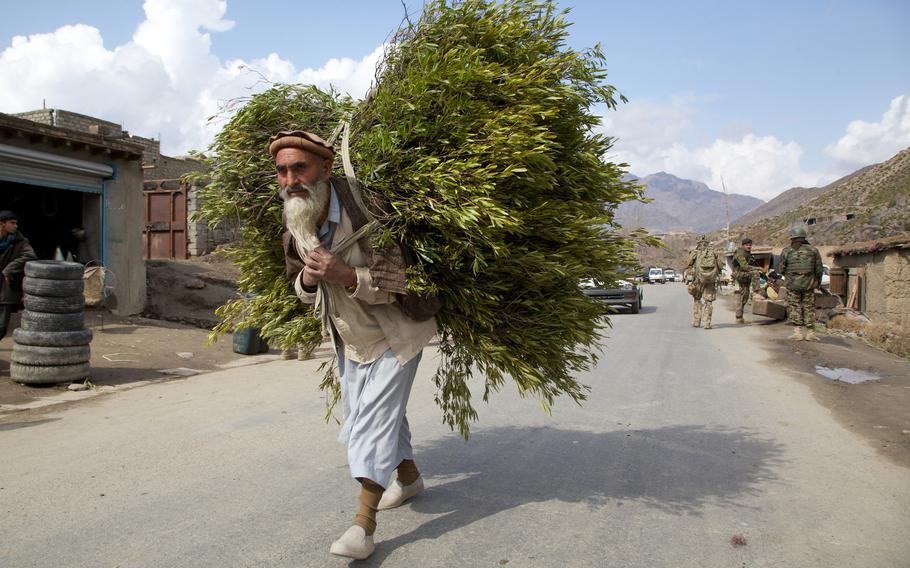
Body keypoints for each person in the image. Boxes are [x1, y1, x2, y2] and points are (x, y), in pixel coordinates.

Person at [271, 130, 438, 560]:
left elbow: (404, 283)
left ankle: (362, 528)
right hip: (350, 339)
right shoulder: (296, 223)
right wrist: (309, 279)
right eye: (282, 171)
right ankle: (411, 477)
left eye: (300, 168)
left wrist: (346, 274)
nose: (290, 180)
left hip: (396, 333)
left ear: (325, 169)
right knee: (375, 412)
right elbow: (299, 287)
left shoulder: (369, 211)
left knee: (370, 423)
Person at [779, 225, 823, 341]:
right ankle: (810, 333)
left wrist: (789, 277)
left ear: (792, 238)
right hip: (809, 284)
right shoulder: (814, 251)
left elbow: (782, 269)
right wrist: (817, 282)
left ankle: (797, 332)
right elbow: (819, 269)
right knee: (809, 307)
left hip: (792, 284)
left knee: (795, 307)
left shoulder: (786, 251)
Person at [0, 210, 37, 339]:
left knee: (2, 326)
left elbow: (30, 255)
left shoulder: (20, 241)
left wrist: (9, 269)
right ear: (2, 224)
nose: (16, 226)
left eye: (16, 223)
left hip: (6, 287)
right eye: (12, 223)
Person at [685, 235, 723, 329]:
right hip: (710, 280)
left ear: (698, 244)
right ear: (707, 243)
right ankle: (707, 323)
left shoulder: (695, 252)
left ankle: (697, 321)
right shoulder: (713, 252)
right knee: (709, 301)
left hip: (698, 279)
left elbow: (688, 263)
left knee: (697, 299)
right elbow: (720, 265)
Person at [732, 237, 761, 323]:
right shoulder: (741, 253)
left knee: (744, 295)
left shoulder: (748, 253)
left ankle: (739, 317)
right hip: (740, 274)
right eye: (747, 245)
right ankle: (756, 292)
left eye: (750, 245)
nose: (749, 246)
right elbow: (745, 266)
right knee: (755, 272)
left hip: (745, 275)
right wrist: (758, 268)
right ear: (743, 245)